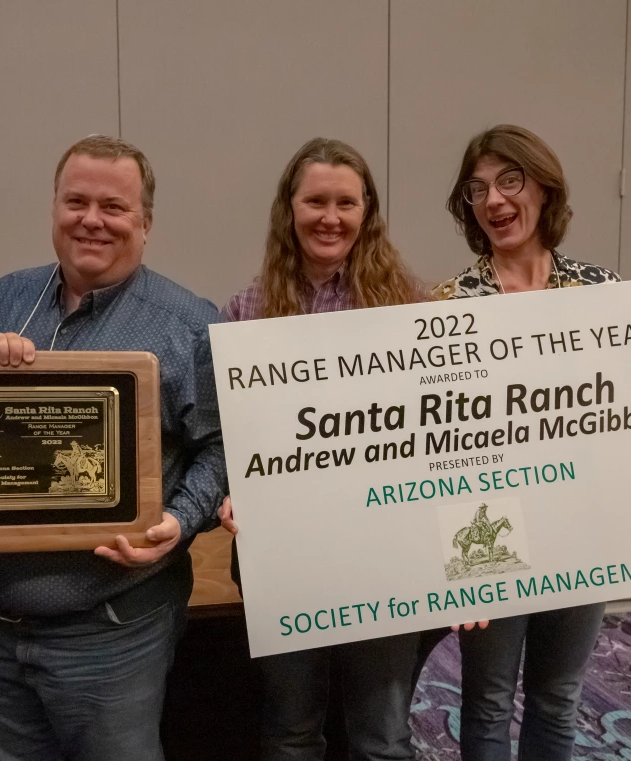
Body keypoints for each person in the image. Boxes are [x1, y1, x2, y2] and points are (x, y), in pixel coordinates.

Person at [0, 134, 227, 761]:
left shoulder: (190, 325)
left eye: (114, 208)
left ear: (145, 224)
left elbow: (225, 448)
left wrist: (179, 520)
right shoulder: (0, 301)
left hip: (113, 634)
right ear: (54, 209)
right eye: (76, 201)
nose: (92, 220)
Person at [435, 124, 631, 761]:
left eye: (509, 181)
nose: (493, 200)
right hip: (489, 524)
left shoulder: (607, 297)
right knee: (487, 697)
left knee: (557, 695)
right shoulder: (446, 305)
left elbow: (626, 408)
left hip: (582, 516)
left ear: (544, 188)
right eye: (478, 189)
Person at [218, 137, 428, 761]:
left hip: (384, 554)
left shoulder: (409, 308)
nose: (329, 217)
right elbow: (231, 434)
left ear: (368, 213)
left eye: (345, 202)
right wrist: (232, 490)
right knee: (292, 730)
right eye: (315, 201)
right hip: (284, 557)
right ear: (290, 208)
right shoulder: (246, 312)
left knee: (381, 737)